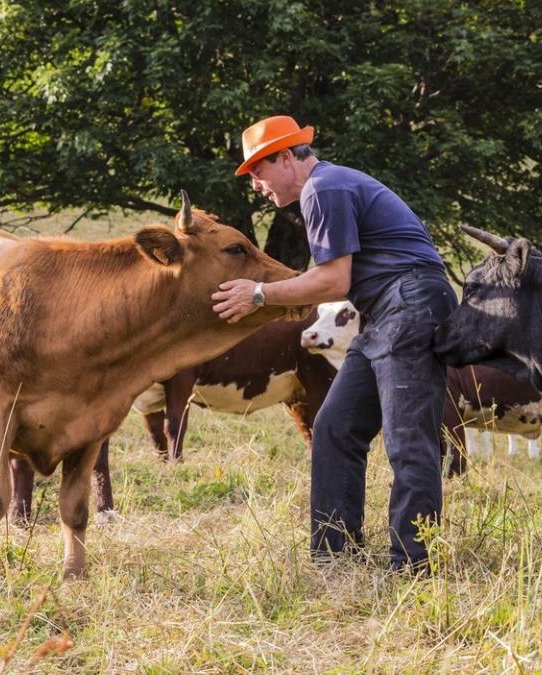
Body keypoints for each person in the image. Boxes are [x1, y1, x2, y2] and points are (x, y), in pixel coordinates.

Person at [212, 115, 457, 571]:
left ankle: (416, 566)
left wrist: (259, 295)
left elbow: (332, 280)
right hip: (386, 311)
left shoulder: (323, 189)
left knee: (407, 438)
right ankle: (334, 560)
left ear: (286, 157)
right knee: (335, 426)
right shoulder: (328, 187)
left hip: (410, 304)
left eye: (258, 172)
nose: (257, 186)